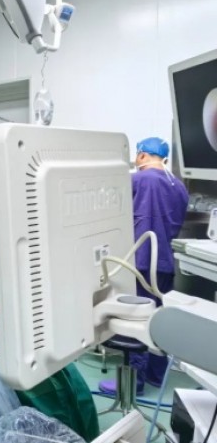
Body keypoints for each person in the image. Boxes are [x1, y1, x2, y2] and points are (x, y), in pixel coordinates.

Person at [99, 137, 189, 396]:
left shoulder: (138, 179)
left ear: (140, 156)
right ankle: (156, 375)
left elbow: (107, 207)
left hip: (140, 261)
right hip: (165, 262)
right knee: (158, 318)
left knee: (136, 318)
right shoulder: (179, 187)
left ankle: (133, 382)